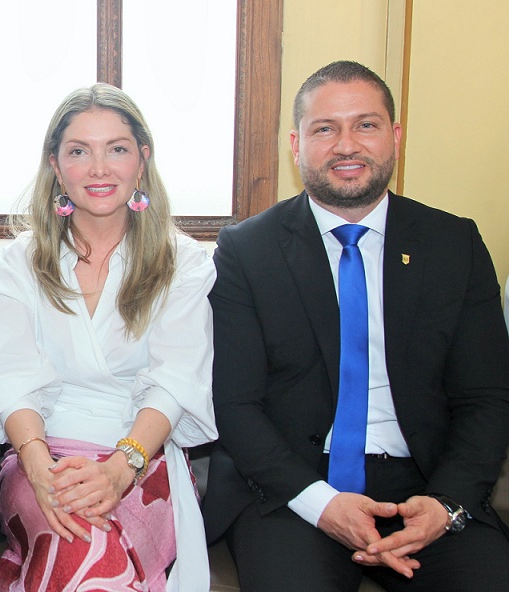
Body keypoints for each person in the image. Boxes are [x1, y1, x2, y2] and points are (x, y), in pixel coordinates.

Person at [201, 60, 509, 591]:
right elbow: (235, 404)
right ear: (295, 145)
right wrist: (322, 505)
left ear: (394, 136)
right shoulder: (247, 251)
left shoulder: (453, 245)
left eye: (365, 125)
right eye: (326, 129)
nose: (346, 145)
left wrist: (446, 502)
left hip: (427, 485)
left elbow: (487, 397)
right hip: (295, 489)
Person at [0, 83, 217, 591]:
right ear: (56, 166)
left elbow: (175, 382)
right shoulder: (12, 267)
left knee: (90, 555)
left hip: (144, 458)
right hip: (41, 454)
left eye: (117, 149)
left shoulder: (184, 263)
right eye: (79, 151)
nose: (99, 168)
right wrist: (40, 467)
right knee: (75, 542)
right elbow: (10, 380)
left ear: (142, 160)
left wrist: (120, 468)